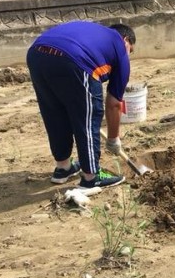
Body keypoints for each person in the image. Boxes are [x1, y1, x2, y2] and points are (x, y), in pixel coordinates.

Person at [26, 21, 136, 188]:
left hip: (37, 54)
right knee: (88, 116)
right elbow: (114, 103)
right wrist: (113, 139)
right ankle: (91, 177)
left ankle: (63, 168)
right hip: (74, 59)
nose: (128, 55)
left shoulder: (94, 33)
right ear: (126, 39)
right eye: (131, 50)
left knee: (54, 111)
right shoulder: (119, 46)